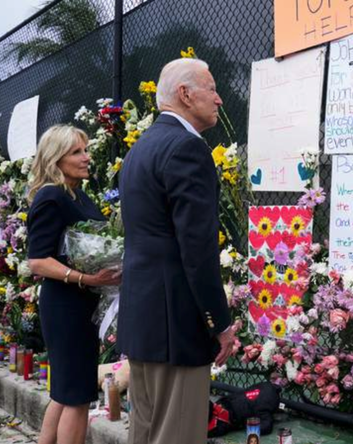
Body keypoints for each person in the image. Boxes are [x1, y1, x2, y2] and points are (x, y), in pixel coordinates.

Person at [118, 58, 237, 444]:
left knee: (146, 431)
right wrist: (220, 322)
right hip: (176, 324)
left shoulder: (141, 149)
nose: (219, 99)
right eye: (212, 88)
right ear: (185, 94)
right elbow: (198, 250)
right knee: (178, 434)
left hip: (143, 318)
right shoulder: (188, 148)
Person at [27, 125, 122, 444]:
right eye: (77, 152)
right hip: (65, 306)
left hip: (80, 304)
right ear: (56, 159)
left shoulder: (75, 193)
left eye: (85, 149)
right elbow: (37, 260)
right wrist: (87, 278)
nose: (86, 157)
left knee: (65, 391)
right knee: (77, 396)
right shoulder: (50, 196)